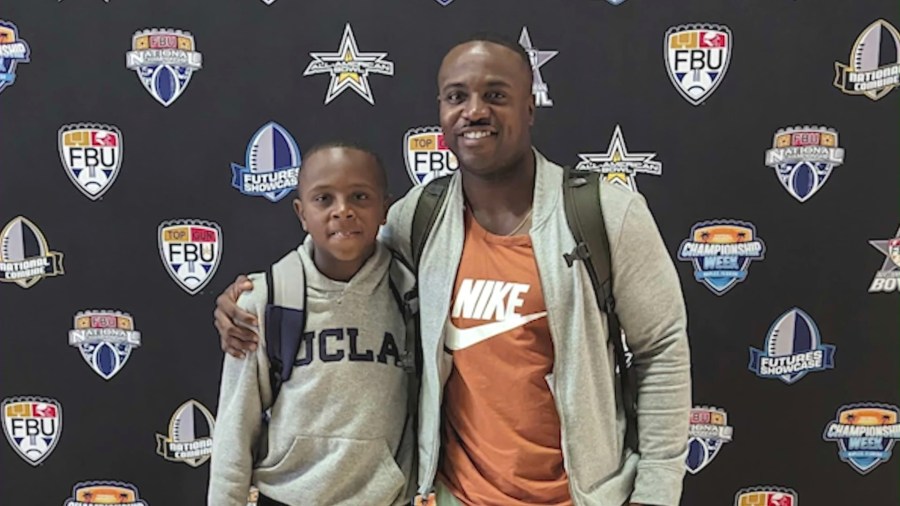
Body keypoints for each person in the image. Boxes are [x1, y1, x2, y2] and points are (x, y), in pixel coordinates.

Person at [215, 34, 691, 506]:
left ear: (530, 107)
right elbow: (339, 254)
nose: (475, 111)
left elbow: (662, 350)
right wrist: (252, 298)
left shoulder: (605, 214)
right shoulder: (418, 217)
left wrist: (654, 493)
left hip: (581, 496)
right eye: (457, 96)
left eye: (496, 95)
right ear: (441, 111)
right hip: (453, 496)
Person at [208, 143, 416, 506]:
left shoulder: (410, 294)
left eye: (359, 196)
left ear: (385, 209)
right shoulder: (265, 298)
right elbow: (234, 429)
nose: (343, 211)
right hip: (287, 496)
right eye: (324, 199)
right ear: (301, 213)